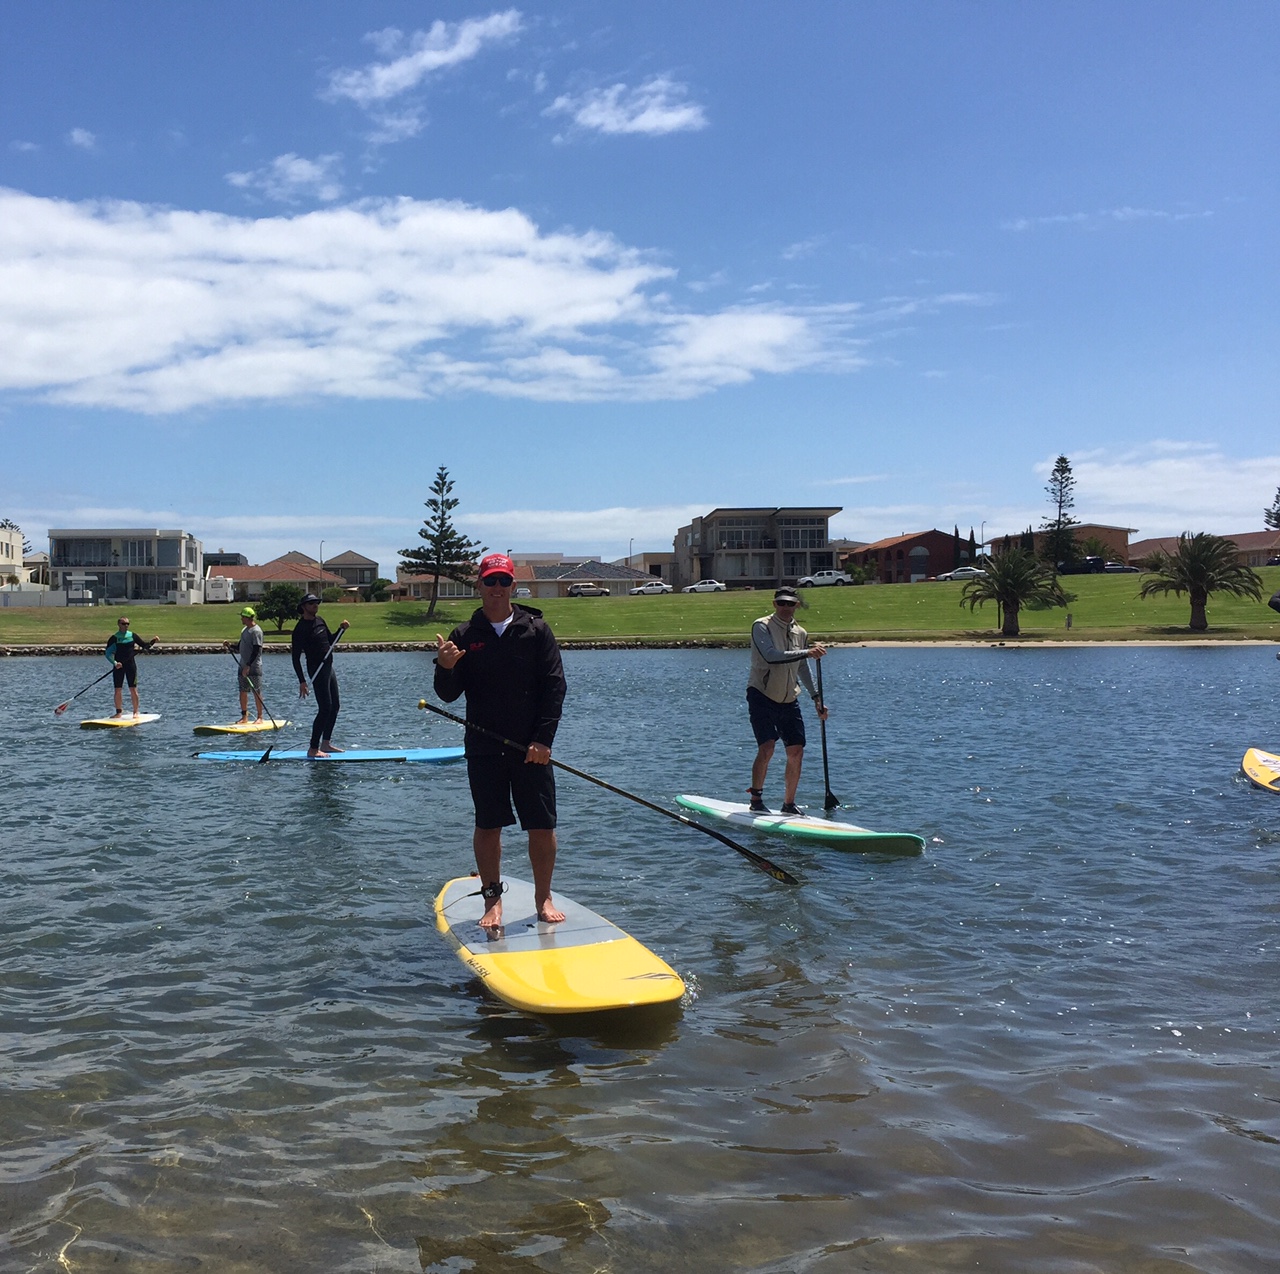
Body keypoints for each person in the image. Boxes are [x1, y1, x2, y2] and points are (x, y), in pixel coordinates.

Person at [433, 553, 567, 928]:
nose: (496, 589)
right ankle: (492, 901)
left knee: (542, 825)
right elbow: (447, 694)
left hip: (532, 749)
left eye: (503, 582)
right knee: (488, 825)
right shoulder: (464, 635)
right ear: (479, 586)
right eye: (489, 582)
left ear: (513, 585)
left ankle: (543, 897)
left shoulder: (536, 630)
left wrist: (543, 739)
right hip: (484, 746)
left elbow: (555, 687)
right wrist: (445, 668)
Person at [745, 587, 828, 815]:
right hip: (761, 694)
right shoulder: (761, 626)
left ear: (796, 606)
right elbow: (771, 656)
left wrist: (816, 697)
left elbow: (802, 666)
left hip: (789, 697)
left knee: (796, 750)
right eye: (781, 603)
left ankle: (789, 805)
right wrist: (806, 653)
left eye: (790, 604)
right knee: (767, 747)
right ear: (774, 604)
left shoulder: (800, 632)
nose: (785, 608)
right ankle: (756, 799)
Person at [291, 593, 349, 758]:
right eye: (311, 603)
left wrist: (341, 630)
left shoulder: (320, 621)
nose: (315, 605)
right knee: (325, 708)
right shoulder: (300, 629)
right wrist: (302, 681)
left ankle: (326, 743)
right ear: (303, 607)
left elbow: (330, 641)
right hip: (316, 669)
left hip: (328, 667)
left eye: (316, 602)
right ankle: (313, 748)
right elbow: (295, 658)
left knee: (335, 706)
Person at [105, 616, 160, 717]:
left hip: (131, 666)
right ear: (118, 624)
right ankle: (118, 713)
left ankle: (135, 712)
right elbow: (108, 653)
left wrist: (153, 641)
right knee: (118, 689)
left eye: (127, 624)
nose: (126, 626)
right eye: (123, 624)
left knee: (133, 689)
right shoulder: (114, 638)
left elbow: (145, 646)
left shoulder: (132, 636)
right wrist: (115, 663)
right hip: (118, 667)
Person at [223, 605, 265, 723]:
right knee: (242, 691)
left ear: (247, 618)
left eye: (242, 617)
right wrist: (230, 646)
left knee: (256, 691)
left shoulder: (256, 631)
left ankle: (260, 717)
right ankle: (244, 717)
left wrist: (248, 665)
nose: (241, 619)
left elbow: (257, 650)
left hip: (254, 667)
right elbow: (240, 647)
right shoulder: (244, 630)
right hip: (242, 666)